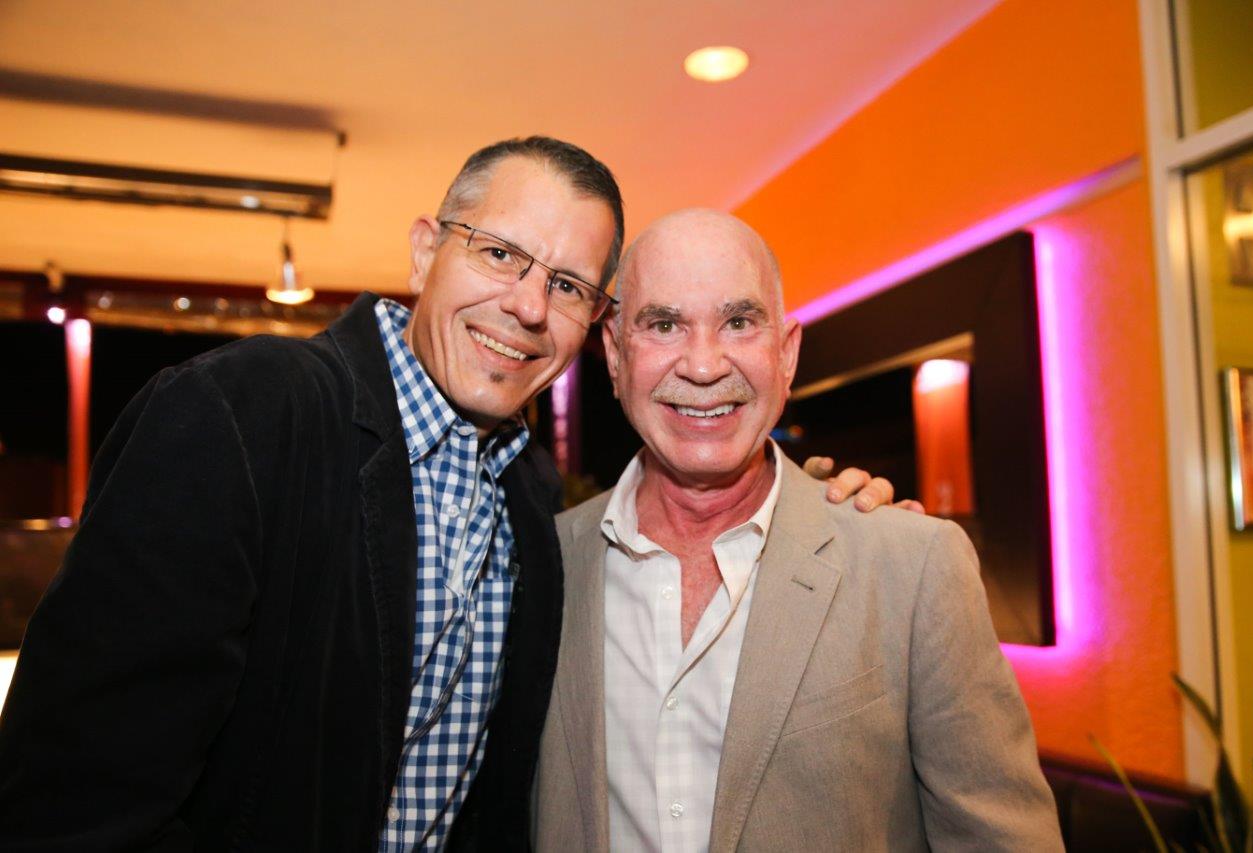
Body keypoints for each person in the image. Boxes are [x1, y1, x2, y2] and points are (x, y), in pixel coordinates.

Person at [0, 139, 897, 852]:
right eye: (501, 254)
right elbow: (72, 799)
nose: (527, 306)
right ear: (427, 248)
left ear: (593, 328)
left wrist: (817, 513)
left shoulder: (529, 501)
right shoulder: (242, 411)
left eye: (570, 286)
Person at [534, 209, 1064, 852]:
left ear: (786, 356)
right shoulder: (536, 565)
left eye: (738, 322)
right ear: (616, 358)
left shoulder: (911, 565)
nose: (704, 365)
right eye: (665, 324)